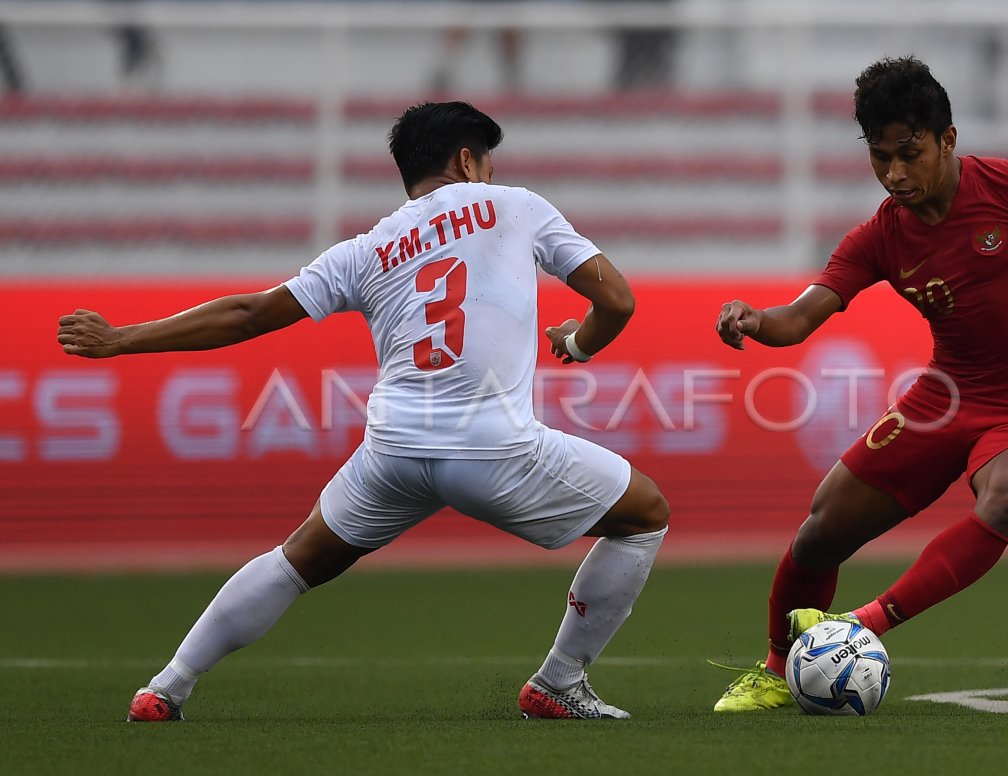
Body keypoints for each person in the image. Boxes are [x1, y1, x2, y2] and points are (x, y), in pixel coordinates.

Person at [58, 101, 670, 722]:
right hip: (492, 447)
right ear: (467, 160)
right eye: (487, 161)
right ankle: (559, 682)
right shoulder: (517, 205)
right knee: (644, 513)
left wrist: (121, 340)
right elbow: (616, 299)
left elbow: (248, 313)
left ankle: (166, 688)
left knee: (295, 560)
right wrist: (578, 343)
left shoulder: (368, 247)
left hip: (394, 450)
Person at [711, 56, 1008, 712]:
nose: (895, 175)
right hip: (941, 401)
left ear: (947, 140)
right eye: (879, 158)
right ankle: (778, 667)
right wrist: (755, 319)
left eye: (909, 154)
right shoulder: (880, 237)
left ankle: (860, 627)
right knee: (820, 533)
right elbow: (802, 315)